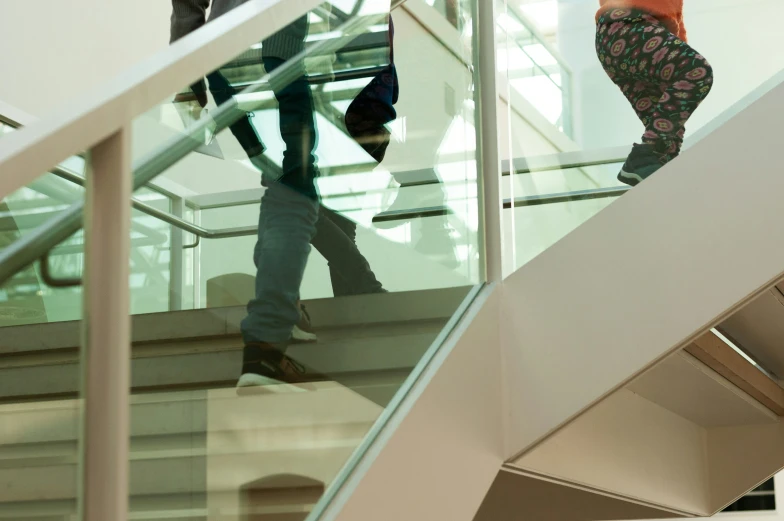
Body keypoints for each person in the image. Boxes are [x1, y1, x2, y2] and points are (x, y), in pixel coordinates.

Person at [170, 0, 393, 390]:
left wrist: (190, 74)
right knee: (295, 191)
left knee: (288, 184)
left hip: (227, 59)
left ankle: (305, 305)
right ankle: (266, 343)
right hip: (290, 51)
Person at [595, 0, 713, 186]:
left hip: (623, 39)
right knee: (696, 71)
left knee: (670, 121)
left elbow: (677, 26)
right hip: (630, 27)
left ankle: (660, 176)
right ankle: (642, 158)